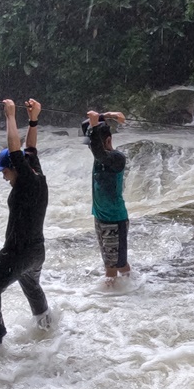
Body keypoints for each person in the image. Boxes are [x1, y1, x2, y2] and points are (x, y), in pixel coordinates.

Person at [0, 99, 51, 346]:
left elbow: (16, 151)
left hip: (18, 252)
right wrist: (33, 119)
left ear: (15, 169)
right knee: (32, 287)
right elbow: (30, 149)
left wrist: (10, 115)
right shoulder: (37, 176)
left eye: (4, 171)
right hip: (37, 251)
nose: (3, 177)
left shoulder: (26, 183)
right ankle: (47, 326)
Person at [85, 109, 130, 286]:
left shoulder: (117, 158)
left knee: (114, 266)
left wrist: (97, 123)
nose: (91, 147)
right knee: (112, 263)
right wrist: (108, 115)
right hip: (100, 217)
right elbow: (86, 125)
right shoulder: (98, 151)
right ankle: (127, 288)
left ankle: (115, 297)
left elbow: (99, 152)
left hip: (115, 219)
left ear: (109, 141)